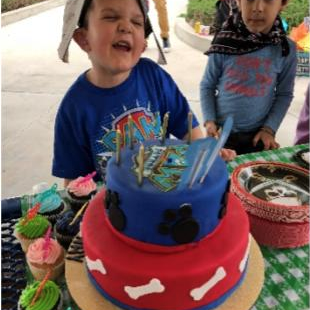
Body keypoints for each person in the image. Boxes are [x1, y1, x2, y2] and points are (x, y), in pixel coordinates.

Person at [53, 0, 203, 187]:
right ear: (84, 39)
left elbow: (190, 131)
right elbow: (75, 184)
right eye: (111, 17)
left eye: (137, 22)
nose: (126, 27)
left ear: (143, 43)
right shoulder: (74, 108)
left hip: (166, 195)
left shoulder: (155, 77)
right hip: (115, 209)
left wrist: (206, 155)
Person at [200, 0, 297, 155]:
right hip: (222, 134)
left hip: (258, 137)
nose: (257, 8)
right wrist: (209, 121)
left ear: (282, 3)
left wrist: (269, 129)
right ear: (238, 2)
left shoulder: (286, 49)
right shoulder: (224, 42)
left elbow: (284, 94)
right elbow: (207, 85)